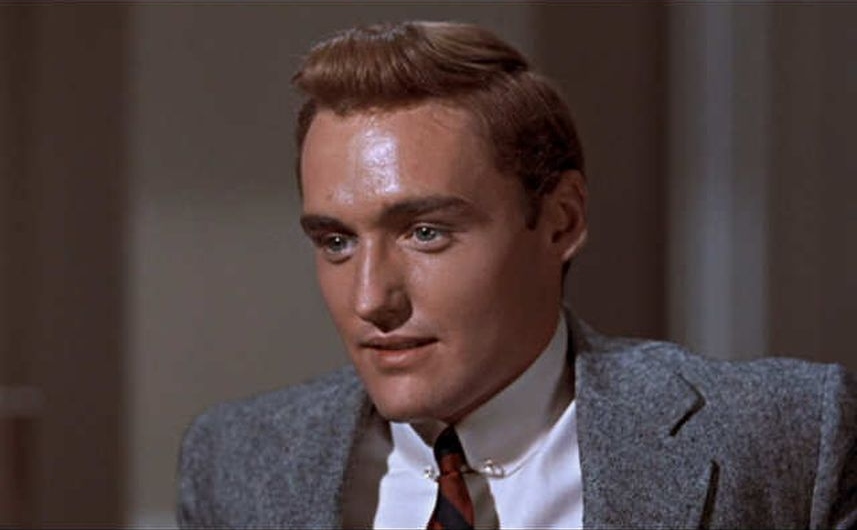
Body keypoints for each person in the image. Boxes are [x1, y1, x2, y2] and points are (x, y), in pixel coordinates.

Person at [177, 21, 857, 529]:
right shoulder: (235, 460)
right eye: (335, 241)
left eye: (425, 233)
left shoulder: (787, 436)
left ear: (561, 221)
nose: (371, 299)